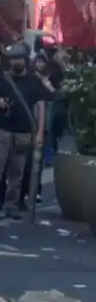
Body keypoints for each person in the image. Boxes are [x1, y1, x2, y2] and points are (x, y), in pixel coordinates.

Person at [0, 43, 50, 220]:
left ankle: (11, 205)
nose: (16, 62)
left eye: (19, 58)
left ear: (25, 60)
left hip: (23, 133)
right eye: (13, 58)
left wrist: (39, 133)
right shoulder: (3, 79)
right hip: (3, 130)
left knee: (17, 172)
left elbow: (41, 106)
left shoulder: (33, 81)